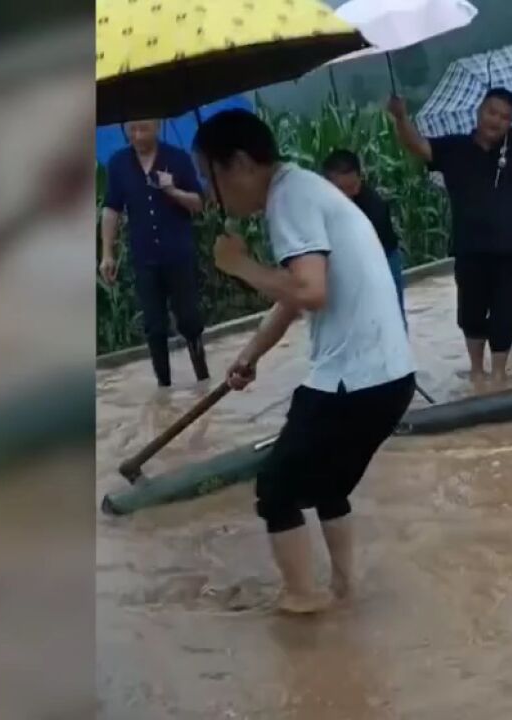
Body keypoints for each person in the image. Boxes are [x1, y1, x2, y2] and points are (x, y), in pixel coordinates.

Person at [192, 110, 416, 614]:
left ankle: (304, 607)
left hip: (354, 380)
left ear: (242, 164)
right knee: (326, 485)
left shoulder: (287, 199)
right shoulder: (305, 188)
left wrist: (240, 265)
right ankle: (342, 588)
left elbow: (309, 292)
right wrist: (251, 353)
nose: (210, 193)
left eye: (211, 176)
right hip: (390, 377)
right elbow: (295, 298)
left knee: (275, 492)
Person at [388, 88, 512, 385]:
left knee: (504, 314)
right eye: (492, 112)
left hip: (510, 249)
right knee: (470, 314)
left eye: (505, 117)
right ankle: (476, 370)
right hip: (469, 248)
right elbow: (417, 145)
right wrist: (400, 117)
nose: (497, 120)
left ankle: (498, 375)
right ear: (479, 111)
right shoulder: (455, 147)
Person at [100, 119, 210, 387]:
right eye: (132, 129)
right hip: (144, 257)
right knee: (154, 325)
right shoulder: (118, 163)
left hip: (178, 253)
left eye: (143, 129)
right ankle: (164, 386)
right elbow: (111, 208)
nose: (137, 135)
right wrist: (107, 253)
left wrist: (172, 191)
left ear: (157, 126)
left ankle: (203, 377)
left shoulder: (177, 158)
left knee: (189, 319)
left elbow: (199, 203)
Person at [322, 150, 407, 323]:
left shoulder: (374, 207)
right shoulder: (320, 204)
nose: (347, 195)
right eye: (340, 189)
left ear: (360, 178)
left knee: (392, 316)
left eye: (352, 187)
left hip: (384, 258)